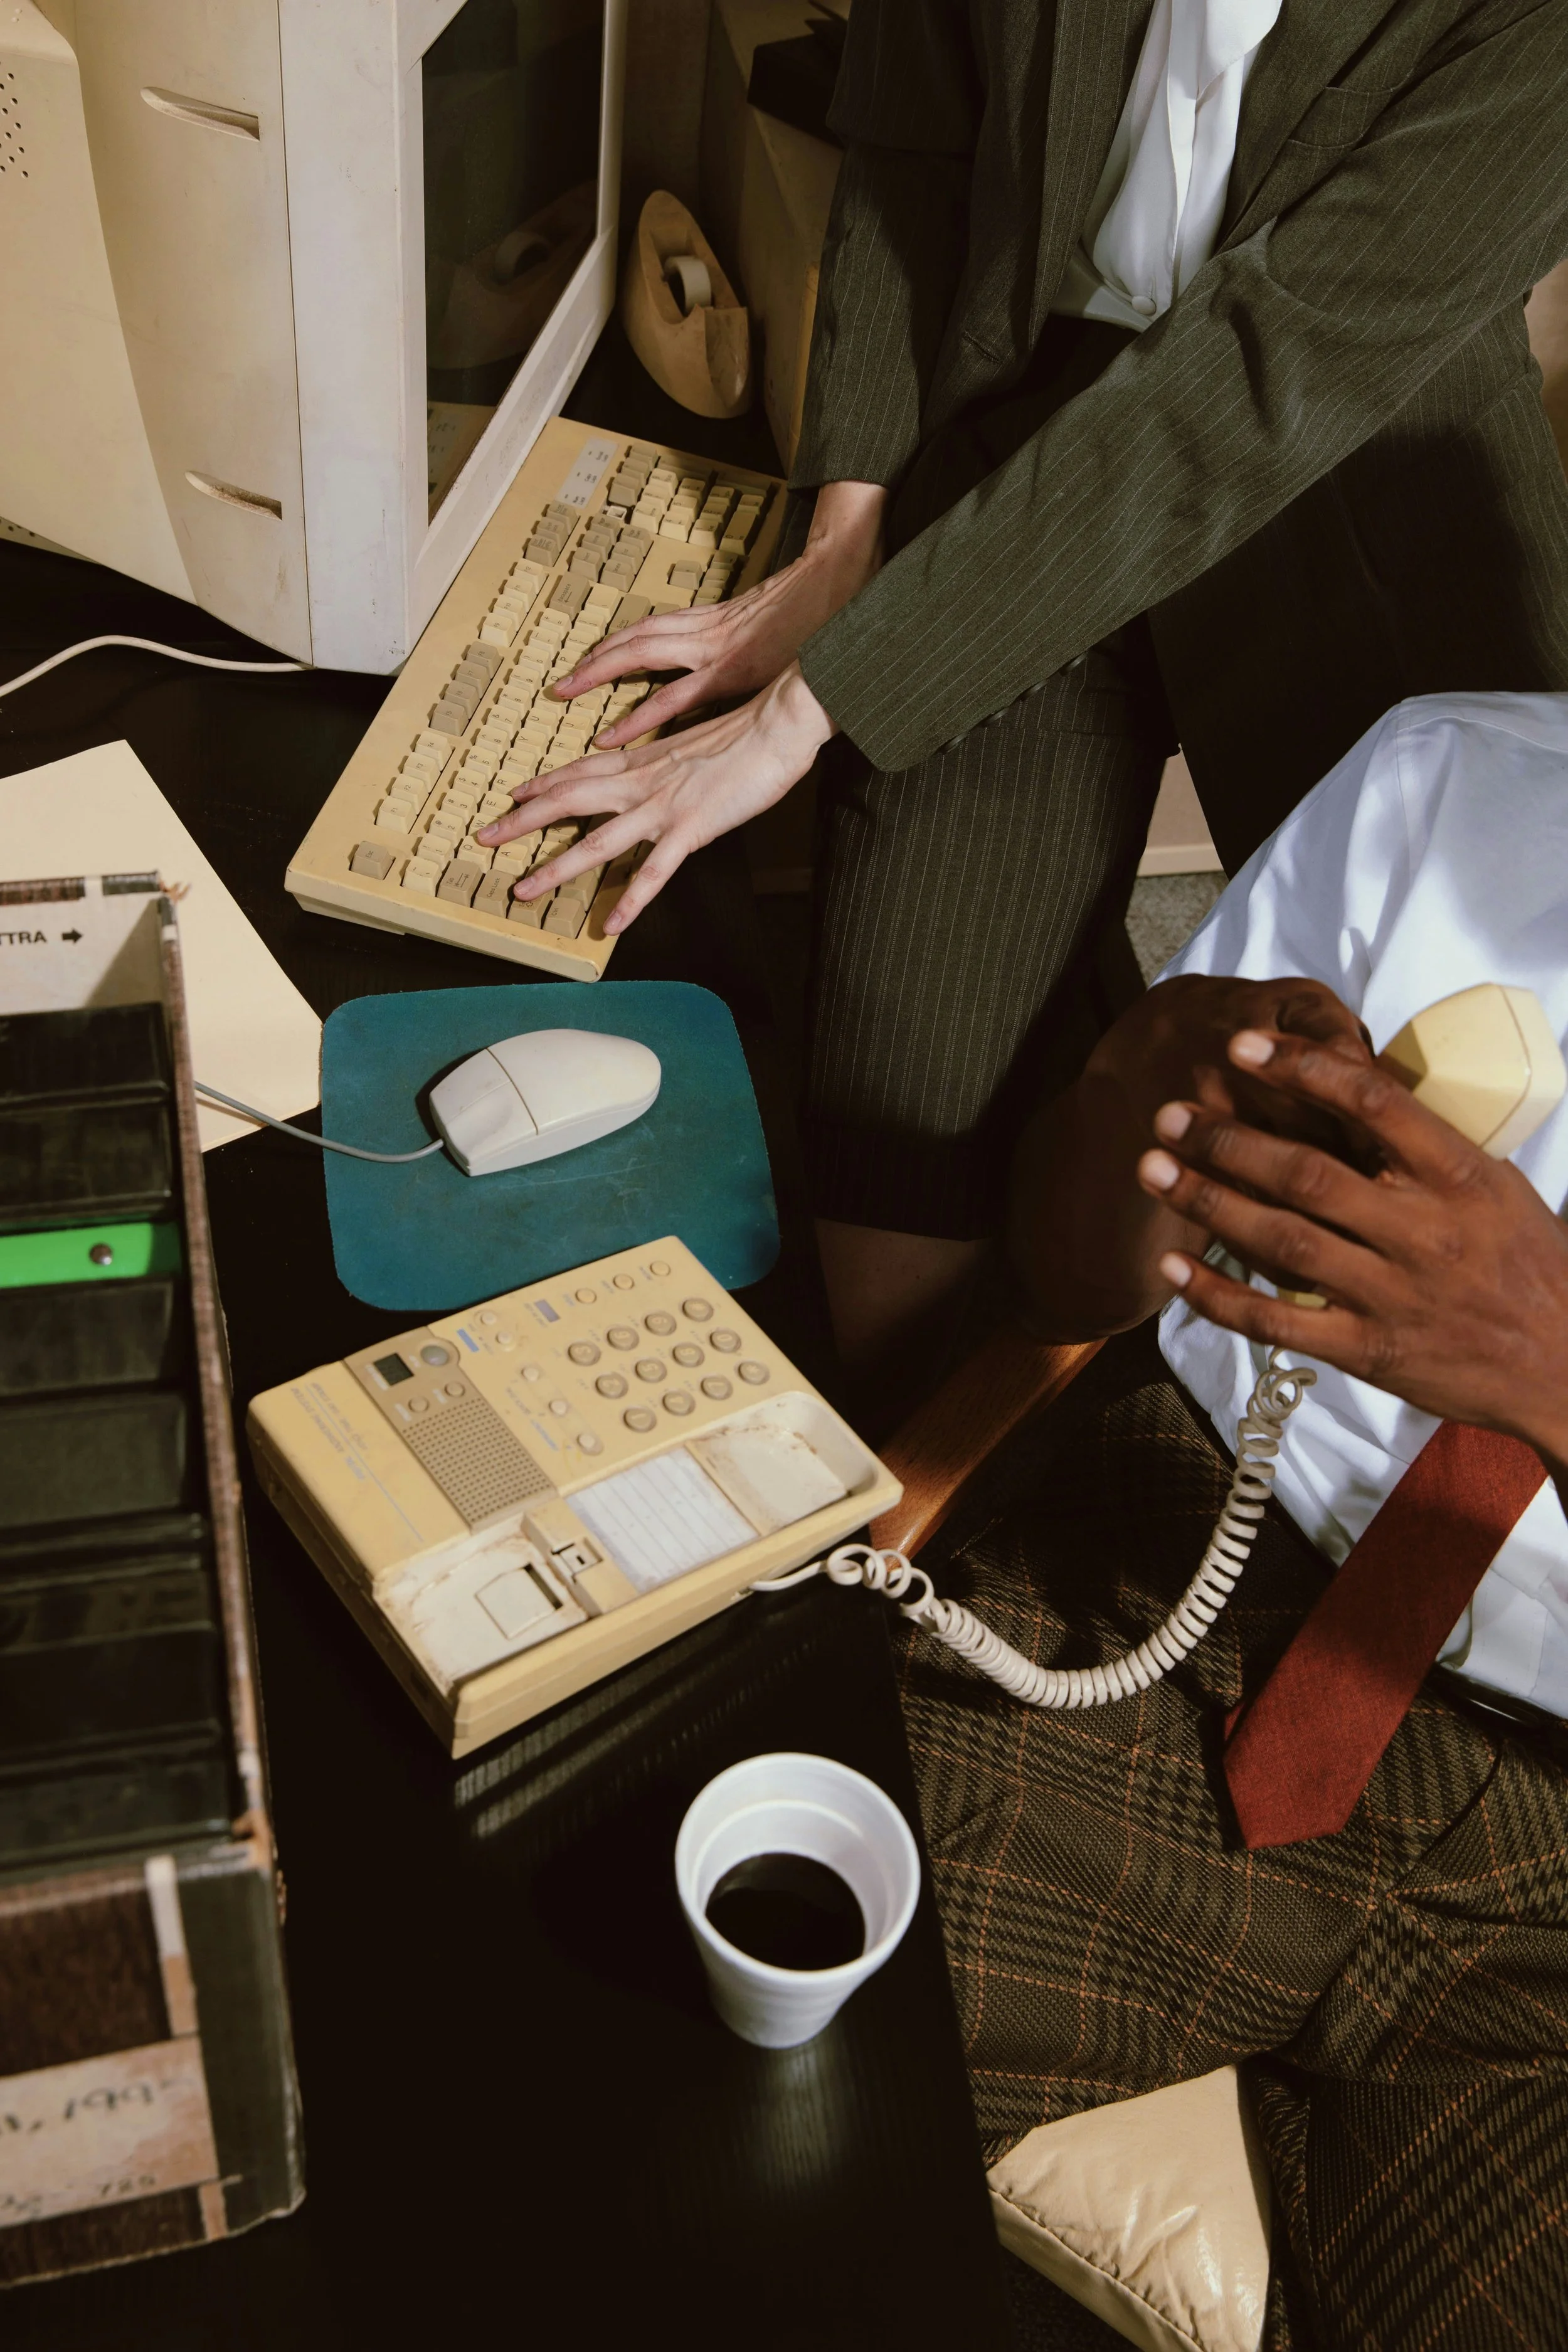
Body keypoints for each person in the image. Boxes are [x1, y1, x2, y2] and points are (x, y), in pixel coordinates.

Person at [477, 0, 1568, 1409]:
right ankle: (934, 1544)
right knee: (893, 1140)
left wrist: (810, 706)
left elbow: (1255, 371)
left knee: (1406, 1178)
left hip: (1355, 484)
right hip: (1013, 445)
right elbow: (906, 138)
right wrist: (844, 538)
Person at [886, 689, 1568, 2346]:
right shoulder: (1449, 780)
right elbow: (1065, 1284)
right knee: (690, 2049)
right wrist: (1134, 1116)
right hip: (1186, 1602)